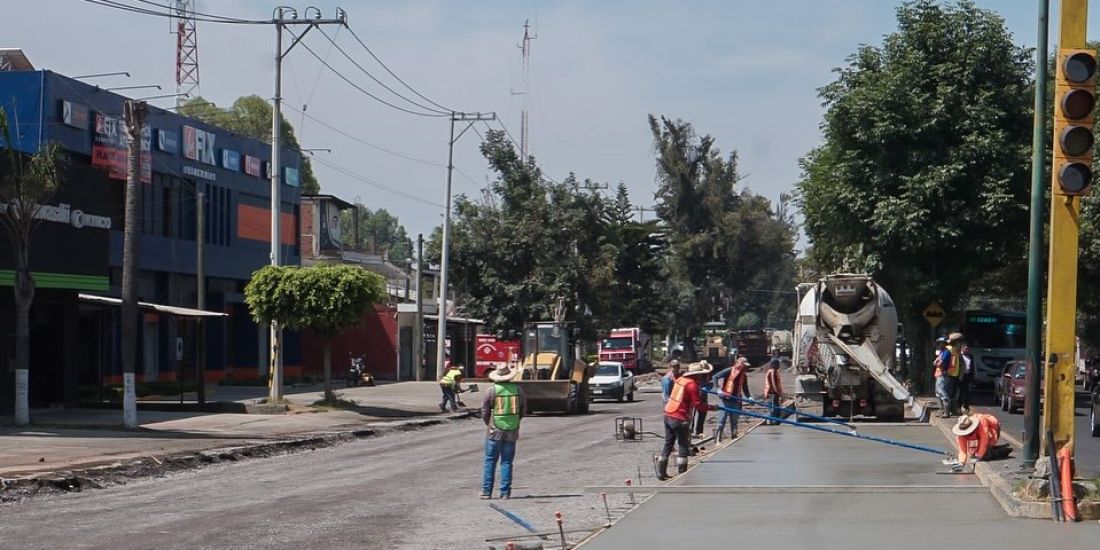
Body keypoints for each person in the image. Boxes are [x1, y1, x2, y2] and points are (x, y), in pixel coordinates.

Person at [658, 361, 713, 480]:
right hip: (679, 417)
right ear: (697, 375)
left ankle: (661, 473)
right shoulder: (691, 385)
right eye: (702, 375)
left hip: (668, 414)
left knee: (668, 443)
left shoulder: (680, 380)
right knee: (683, 444)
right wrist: (712, 407)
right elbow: (698, 405)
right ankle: (682, 475)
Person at [481, 363, 526, 499]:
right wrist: (516, 421)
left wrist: (488, 423)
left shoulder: (491, 390)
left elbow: (485, 410)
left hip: (494, 429)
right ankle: (505, 492)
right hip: (512, 429)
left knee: (490, 460)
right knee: (507, 462)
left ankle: (487, 491)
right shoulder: (518, 390)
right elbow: (523, 408)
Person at [711, 357, 751, 441]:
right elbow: (715, 377)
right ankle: (718, 440)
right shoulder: (729, 371)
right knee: (722, 420)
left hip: (736, 400)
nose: (744, 368)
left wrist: (749, 397)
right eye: (743, 366)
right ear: (739, 365)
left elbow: (745, 387)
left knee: (734, 421)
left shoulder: (744, 375)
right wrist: (718, 389)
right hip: (726, 399)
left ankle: (734, 438)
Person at [692, 362, 713, 438]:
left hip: (703, 396)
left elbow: (710, 384)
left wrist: (706, 388)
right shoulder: (696, 375)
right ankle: (691, 431)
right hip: (695, 395)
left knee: (702, 413)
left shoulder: (708, 376)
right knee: (693, 414)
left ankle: (699, 431)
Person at [764, 357, 784, 425]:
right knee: (773, 409)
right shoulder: (772, 372)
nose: (779, 365)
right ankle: (772, 421)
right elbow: (773, 383)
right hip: (772, 393)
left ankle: (775, 421)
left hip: (774, 393)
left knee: (775, 408)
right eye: (777, 364)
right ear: (773, 364)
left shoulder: (775, 371)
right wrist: (778, 394)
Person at [957, 344, 974, 414]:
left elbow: (972, 366)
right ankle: (958, 407)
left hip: (968, 376)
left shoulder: (971, 356)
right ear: (962, 349)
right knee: (960, 392)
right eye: (965, 349)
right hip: (961, 376)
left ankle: (966, 407)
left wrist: (974, 374)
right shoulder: (959, 356)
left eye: (967, 349)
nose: (967, 350)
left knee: (968, 392)